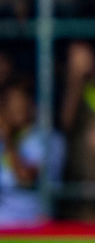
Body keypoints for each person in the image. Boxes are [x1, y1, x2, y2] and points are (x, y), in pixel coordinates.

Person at [0, 80, 64, 226]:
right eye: (10, 103)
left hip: (30, 226)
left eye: (19, 102)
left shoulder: (45, 139)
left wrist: (9, 142)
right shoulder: (7, 139)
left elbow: (25, 178)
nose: (15, 108)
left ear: (30, 105)